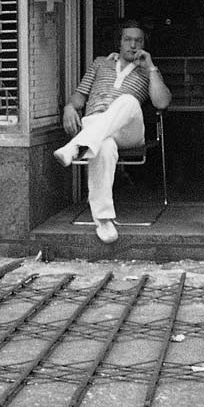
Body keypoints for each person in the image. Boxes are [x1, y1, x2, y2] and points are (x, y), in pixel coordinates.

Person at [53, 20, 171, 244]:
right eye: (128, 39)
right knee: (104, 146)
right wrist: (69, 107)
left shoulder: (148, 72)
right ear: (119, 42)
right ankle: (104, 219)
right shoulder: (100, 63)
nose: (133, 45)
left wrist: (152, 68)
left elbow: (162, 102)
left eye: (138, 40)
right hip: (96, 126)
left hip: (129, 130)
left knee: (127, 100)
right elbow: (79, 96)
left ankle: (76, 147)